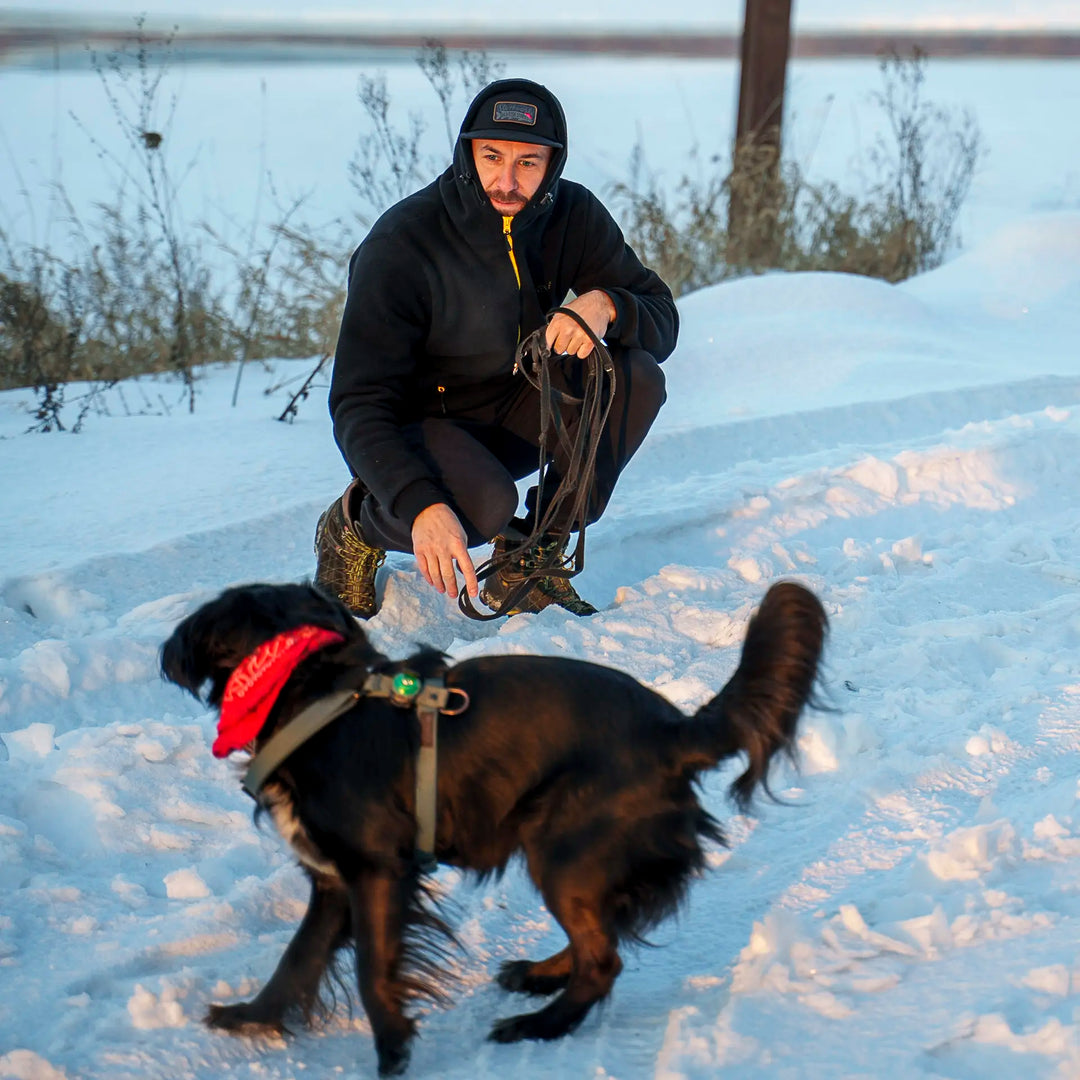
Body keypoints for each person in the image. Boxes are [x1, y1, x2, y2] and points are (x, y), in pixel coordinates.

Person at [315, 77, 678, 618]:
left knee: (636, 377)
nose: (506, 181)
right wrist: (420, 503)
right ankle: (353, 525)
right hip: (429, 428)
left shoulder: (571, 214)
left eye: (528, 163)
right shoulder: (403, 244)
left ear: (552, 164)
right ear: (467, 154)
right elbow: (358, 404)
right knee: (484, 505)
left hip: (521, 403)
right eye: (491, 157)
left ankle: (532, 559)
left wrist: (606, 303)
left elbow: (661, 318)